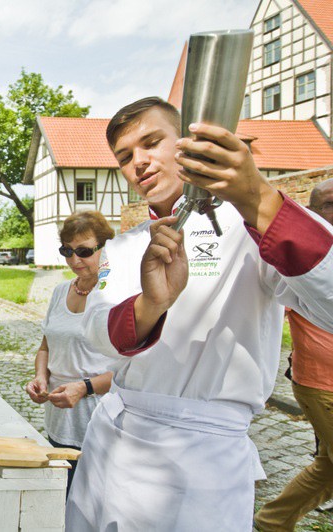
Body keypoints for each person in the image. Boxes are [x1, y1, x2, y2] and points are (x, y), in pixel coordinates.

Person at [64, 97, 333, 531]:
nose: (140, 163)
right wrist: (151, 304)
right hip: (115, 440)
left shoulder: (255, 224)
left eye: (152, 142)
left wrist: (258, 199)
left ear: (185, 142)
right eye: (125, 156)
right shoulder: (123, 246)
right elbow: (96, 332)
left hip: (200, 456)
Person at [254, 177, 333, 531]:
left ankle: (273, 521)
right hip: (321, 383)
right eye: (330, 204)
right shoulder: (306, 256)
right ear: (313, 212)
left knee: (327, 467)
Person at [25, 211, 115, 497]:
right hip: (59, 417)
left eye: (85, 251)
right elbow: (46, 346)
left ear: (105, 248)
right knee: (58, 501)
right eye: (67, 251)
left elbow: (131, 370)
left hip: (97, 420)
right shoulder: (60, 291)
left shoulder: (115, 295)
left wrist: (85, 387)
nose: (75, 260)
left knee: (90, 505)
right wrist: (41, 376)